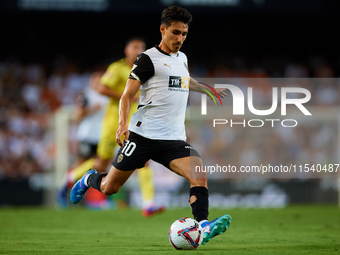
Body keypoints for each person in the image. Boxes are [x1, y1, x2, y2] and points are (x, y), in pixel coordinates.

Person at [70, 6, 231, 245]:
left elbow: (185, 80)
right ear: (163, 29)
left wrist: (208, 90)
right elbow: (126, 96)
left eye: (184, 34)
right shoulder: (147, 59)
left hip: (173, 139)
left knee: (199, 174)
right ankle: (88, 179)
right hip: (142, 137)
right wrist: (122, 125)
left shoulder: (182, 58)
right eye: (176, 33)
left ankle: (204, 226)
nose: (180, 39)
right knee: (109, 187)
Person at [61, 38, 165, 216]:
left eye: (141, 47)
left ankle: (148, 203)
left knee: (144, 161)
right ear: (126, 50)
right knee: (101, 164)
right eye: (134, 47)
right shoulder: (117, 68)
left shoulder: (146, 69)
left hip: (136, 124)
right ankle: (71, 178)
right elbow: (101, 88)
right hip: (113, 124)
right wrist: (126, 96)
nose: (138, 50)